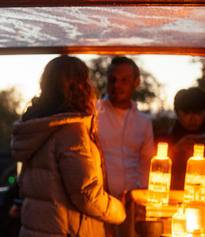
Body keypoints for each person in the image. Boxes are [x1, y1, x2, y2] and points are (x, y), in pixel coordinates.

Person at [11, 56, 125, 237]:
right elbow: (87, 196)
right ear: (81, 86)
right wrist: (119, 210)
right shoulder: (71, 131)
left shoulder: (35, 127)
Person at [95, 56, 155, 198]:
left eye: (124, 80)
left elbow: (147, 163)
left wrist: (141, 193)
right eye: (112, 79)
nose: (116, 85)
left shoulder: (143, 121)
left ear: (137, 82)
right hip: (98, 201)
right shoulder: (93, 112)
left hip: (132, 201)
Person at [156, 87, 205, 192]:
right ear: (177, 113)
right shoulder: (161, 141)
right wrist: (173, 151)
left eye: (198, 112)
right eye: (186, 113)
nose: (192, 118)